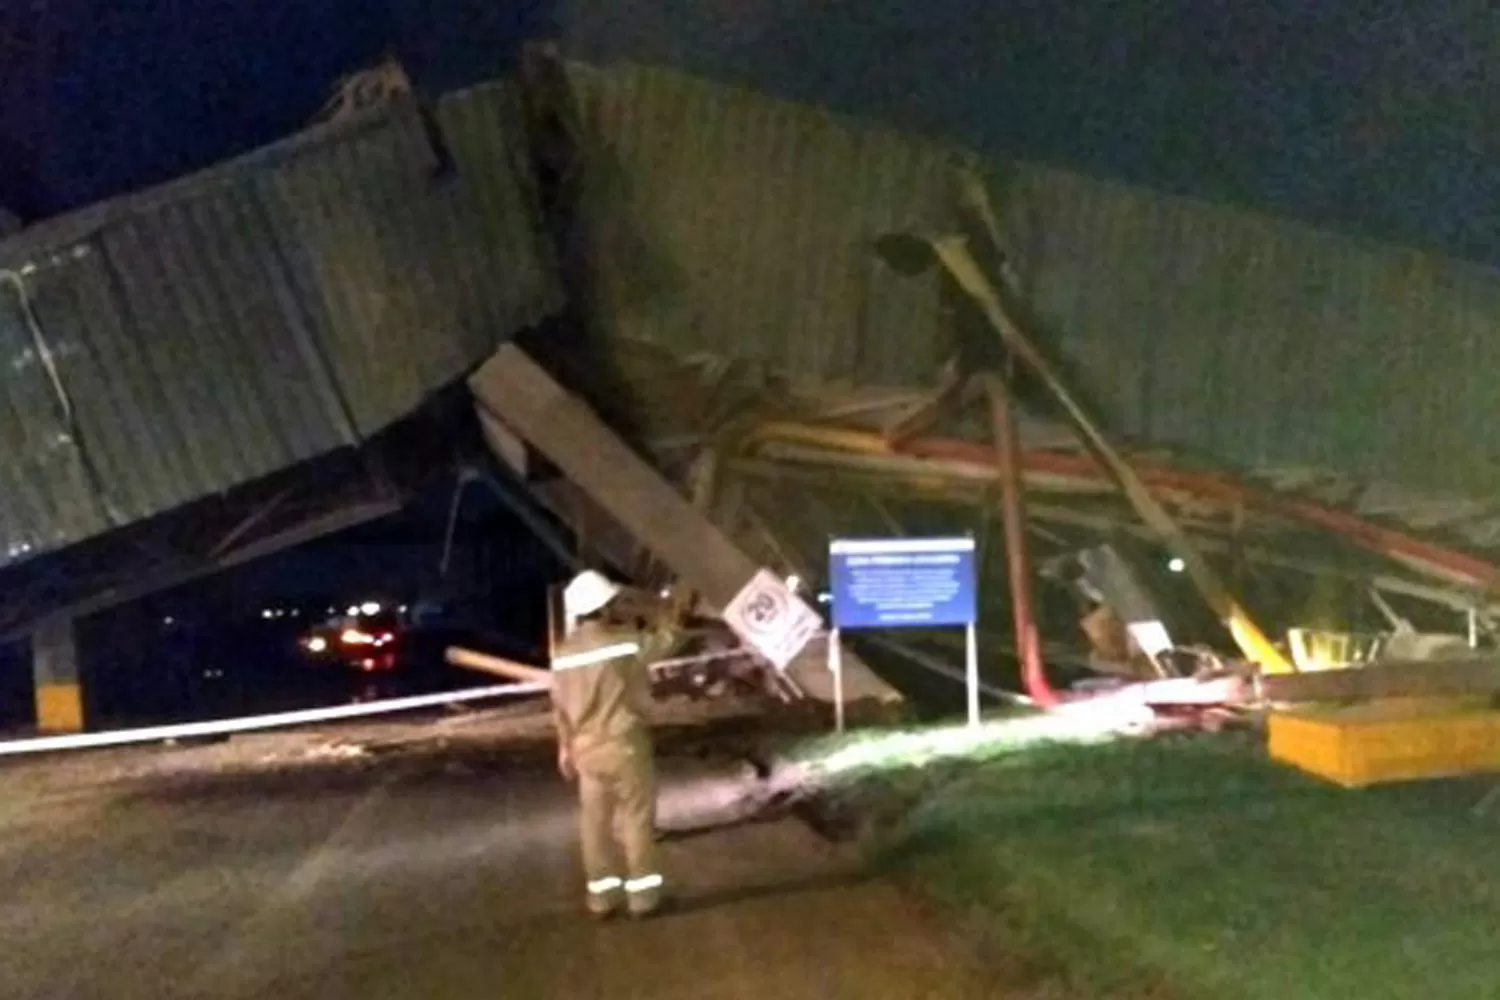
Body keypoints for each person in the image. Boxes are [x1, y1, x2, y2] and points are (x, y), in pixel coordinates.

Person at [551, 570, 678, 920]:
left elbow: (559, 707)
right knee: (636, 820)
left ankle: (602, 900)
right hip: (623, 744)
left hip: (585, 750)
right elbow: (668, 639)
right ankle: (643, 899)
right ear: (605, 607)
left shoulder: (561, 653)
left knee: (594, 825)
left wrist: (564, 748)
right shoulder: (622, 643)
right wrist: (658, 611)